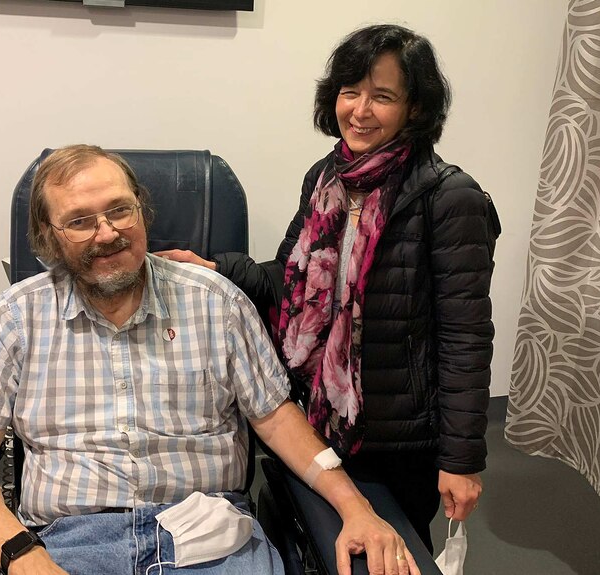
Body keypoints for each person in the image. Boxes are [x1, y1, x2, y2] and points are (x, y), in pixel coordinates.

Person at [0, 144, 423, 575]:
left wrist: (356, 508)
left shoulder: (216, 301)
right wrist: (21, 555)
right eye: (80, 221)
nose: (107, 234)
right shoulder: (18, 317)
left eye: (120, 211)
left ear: (142, 212)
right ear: (50, 235)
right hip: (68, 545)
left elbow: (276, 419)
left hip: (211, 539)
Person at [157, 24, 499, 555]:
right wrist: (215, 266)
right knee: (325, 538)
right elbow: (289, 280)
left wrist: (461, 460)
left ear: (415, 108)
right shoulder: (328, 175)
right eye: (350, 91)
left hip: (399, 433)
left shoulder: (450, 198)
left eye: (382, 96)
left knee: (398, 548)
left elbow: (466, 338)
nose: (360, 110)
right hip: (320, 409)